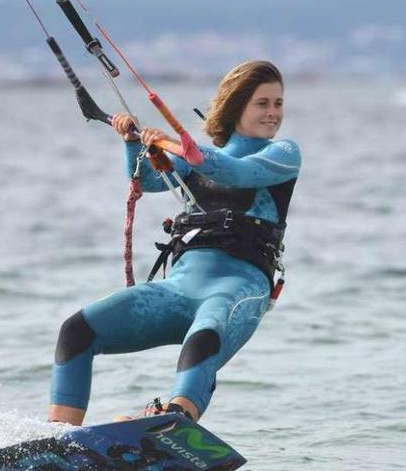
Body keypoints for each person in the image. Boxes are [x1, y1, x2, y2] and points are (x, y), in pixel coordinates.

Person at [47, 60, 301, 425]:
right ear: (237, 106)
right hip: (179, 288)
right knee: (77, 330)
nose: (273, 112)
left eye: (278, 103)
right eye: (263, 103)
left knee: (205, 334)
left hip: (237, 289)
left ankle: (173, 423)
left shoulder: (283, 155)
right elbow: (147, 180)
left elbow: (235, 172)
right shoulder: (189, 158)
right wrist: (134, 142)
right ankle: (60, 441)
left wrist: (181, 147)